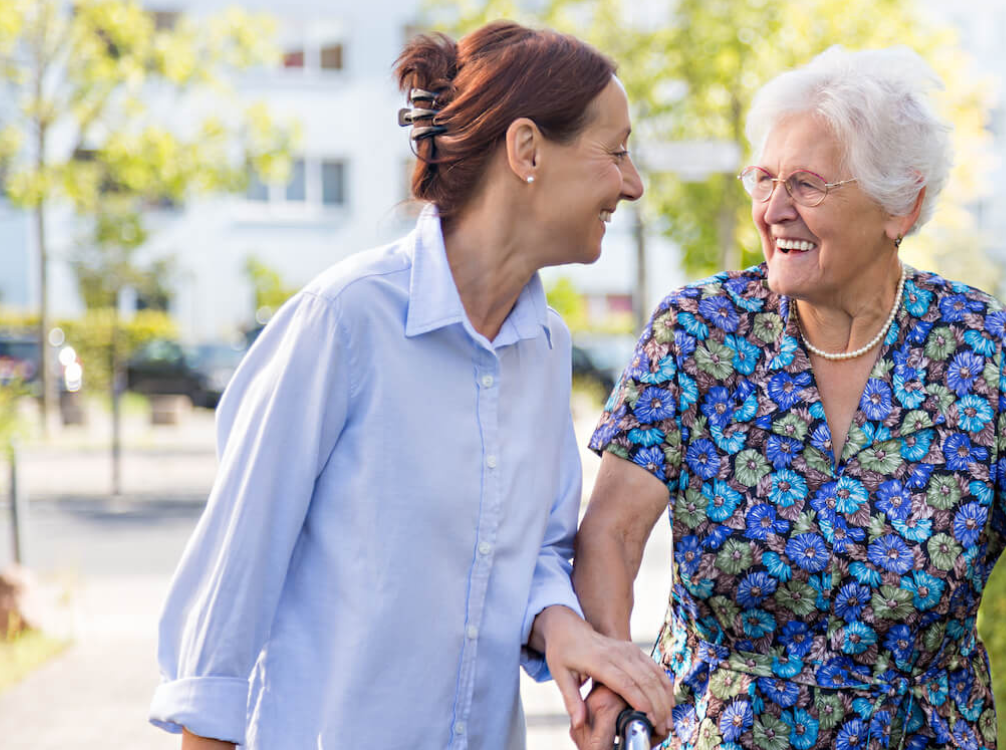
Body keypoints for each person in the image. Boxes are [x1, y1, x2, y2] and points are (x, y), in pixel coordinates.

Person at [569, 46, 1006, 750]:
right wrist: (612, 662)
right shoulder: (697, 334)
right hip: (722, 733)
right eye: (764, 179)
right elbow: (611, 531)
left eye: (808, 185)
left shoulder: (980, 347)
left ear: (901, 204)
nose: (774, 209)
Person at [149, 21, 673, 749]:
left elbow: (538, 556)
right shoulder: (343, 322)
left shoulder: (546, 347)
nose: (633, 183)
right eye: (615, 151)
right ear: (527, 150)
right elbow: (232, 587)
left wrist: (562, 627)